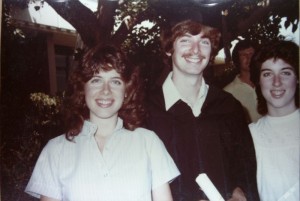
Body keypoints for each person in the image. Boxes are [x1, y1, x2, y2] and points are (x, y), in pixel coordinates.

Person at [25, 45, 180, 201]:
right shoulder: (56, 150)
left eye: (116, 82)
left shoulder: (149, 142)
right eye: (96, 80)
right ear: (82, 88)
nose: (106, 91)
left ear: (126, 90)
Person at [145, 20, 259, 201]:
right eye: (185, 40)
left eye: (204, 42)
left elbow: (246, 171)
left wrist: (240, 192)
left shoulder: (229, 107)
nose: (196, 50)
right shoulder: (146, 110)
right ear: (169, 48)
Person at [249, 40, 299, 201]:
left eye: (285, 73)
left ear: (297, 78)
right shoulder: (250, 134)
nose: (276, 82)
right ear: (258, 81)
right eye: (267, 74)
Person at [224, 40, 261, 123]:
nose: (249, 58)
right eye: (244, 55)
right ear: (237, 59)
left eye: (251, 54)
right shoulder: (228, 93)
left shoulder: (267, 84)